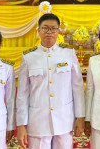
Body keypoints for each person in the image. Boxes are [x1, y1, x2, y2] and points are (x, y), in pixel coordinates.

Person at [16, 13, 85, 149]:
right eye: (45, 28)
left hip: (64, 119)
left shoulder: (68, 53)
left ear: (58, 31)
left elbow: (77, 87)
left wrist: (80, 117)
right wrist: (21, 125)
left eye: (53, 28)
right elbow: (22, 94)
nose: (49, 32)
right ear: (38, 31)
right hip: (38, 121)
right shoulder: (29, 57)